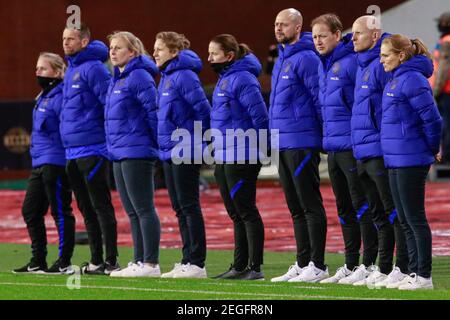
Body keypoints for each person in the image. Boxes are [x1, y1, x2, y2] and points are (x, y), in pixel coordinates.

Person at [310, 13, 378, 285]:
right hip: (334, 149)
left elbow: (359, 106)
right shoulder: (323, 65)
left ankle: (370, 263)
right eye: (314, 37)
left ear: (338, 35)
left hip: (351, 147)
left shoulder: (350, 63)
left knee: (362, 206)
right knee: (344, 209)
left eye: (323, 35)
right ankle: (351, 264)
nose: (318, 41)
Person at [348, 15, 409, 288]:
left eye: (357, 34)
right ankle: (384, 267)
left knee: (393, 213)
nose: (353, 39)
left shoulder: (382, 65)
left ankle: (403, 267)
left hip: (378, 151)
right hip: (362, 150)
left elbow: (390, 111)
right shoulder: (363, 65)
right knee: (378, 214)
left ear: (374, 36)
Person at [269, 8, 329, 283]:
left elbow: (319, 98)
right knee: (295, 206)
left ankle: (318, 264)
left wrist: (324, 134)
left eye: (284, 24)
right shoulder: (282, 59)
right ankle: (303, 261)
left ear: (298, 26)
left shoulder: (305, 57)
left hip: (302, 140)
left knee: (309, 204)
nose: (278, 28)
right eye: (277, 24)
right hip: (283, 141)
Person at [380, 34, 442, 290]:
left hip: (411, 158)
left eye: (385, 55)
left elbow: (433, 119)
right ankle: (412, 271)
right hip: (395, 157)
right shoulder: (395, 79)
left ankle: (423, 275)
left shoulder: (413, 80)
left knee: (415, 218)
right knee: (404, 218)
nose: (381, 60)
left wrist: (430, 147)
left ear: (401, 56)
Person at [208, 34, 269, 280]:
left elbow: (261, 117)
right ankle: (239, 265)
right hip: (224, 155)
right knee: (236, 213)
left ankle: (255, 267)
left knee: (246, 211)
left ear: (229, 56)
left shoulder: (242, 79)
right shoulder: (226, 79)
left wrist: (262, 148)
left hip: (241, 155)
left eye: (214, 53)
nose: (209, 58)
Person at [61, 23, 119, 275]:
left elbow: (110, 104)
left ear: (84, 41)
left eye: (71, 39)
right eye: (63, 38)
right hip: (72, 151)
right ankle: (96, 259)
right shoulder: (71, 70)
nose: (65, 43)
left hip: (93, 148)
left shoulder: (94, 68)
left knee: (100, 205)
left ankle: (112, 260)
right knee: (85, 207)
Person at [153, 31, 211, 278]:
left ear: (174, 52)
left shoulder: (184, 76)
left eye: (159, 49)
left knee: (188, 205)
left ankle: (197, 262)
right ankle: (187, 258)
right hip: (169, 150)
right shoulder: (166, 77)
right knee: (179, 206)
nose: (154, 53)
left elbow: (203, 110)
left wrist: (201, 141)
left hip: (185, 149)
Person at [104, 31, 161, 278]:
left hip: (136, 149)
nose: (113, 52)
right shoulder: (117, 78)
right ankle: (138, 260)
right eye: (112, 48)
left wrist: (154, 144)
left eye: (118, 48)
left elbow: (153, 112)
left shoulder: (138, 76)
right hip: (119, 150)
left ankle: (151, 263)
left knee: (144, 208)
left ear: (133, 52)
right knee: (132, 210)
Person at [13, 53, 76, 275]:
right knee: (30, 210)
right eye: (37, 67)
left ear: (58, 72)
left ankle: (64, 261)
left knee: (60, 211)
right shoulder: (43, 96)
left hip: (55, 161)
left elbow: (67, 129)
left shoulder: (61, 97)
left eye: (43, 68)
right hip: (39, 161)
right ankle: (38, 260)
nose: (38, 72)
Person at [430, 12, 450, 163]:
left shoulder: (446, 42)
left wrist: (436, 90)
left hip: (446, 91)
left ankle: (447, 157)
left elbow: (443, 69)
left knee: (446, 125)